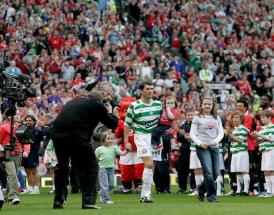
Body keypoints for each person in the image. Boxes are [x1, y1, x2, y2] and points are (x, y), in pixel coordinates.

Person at [51, 90, 119, 209]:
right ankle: (88, 201)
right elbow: (112, 124)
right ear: (100, 100)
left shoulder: (72, 102)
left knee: (62, 167)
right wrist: (111, 113)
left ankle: (58, 201)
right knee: (91, 167)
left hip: (57, 135)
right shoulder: (97, 105)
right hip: (77, 136)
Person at [124, 81, 162, 203]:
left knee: (152, 166)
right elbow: (127, 124)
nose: (150, 91)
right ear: (141, 91)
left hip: (155, 137)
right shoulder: (134, 106)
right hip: (141, 136)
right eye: (147, 89)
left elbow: (163, 121)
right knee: (149, 164)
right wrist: (126, 141)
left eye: (152, 88)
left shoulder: (158, 104)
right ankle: (145, 195)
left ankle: (146, 193)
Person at [190, 97, 224, 202]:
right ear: (201, 105)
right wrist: (200, 143)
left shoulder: (216, 117)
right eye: (205, 104)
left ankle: (201, 188)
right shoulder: (197, 118)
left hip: (214, 147)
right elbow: (192, 134)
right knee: (208, 172)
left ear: (213, 105)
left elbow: (221, 133)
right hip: (202, 148)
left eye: (209, 104)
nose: (207, 106)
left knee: (216, 173)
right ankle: (212, 196)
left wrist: (215, 142)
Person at [95, 130, 128, 203]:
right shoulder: (99, 149)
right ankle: (106, 199)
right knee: (105, 185)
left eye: (111, 139)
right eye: (108, 139)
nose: (110, 140)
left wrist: (127, 150)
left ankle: (101, 192)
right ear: (103, 139)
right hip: (102, 169)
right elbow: (95, 159)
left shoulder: (114, 148)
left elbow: (122, 154)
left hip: (111, 168)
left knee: (111, 185)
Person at [225, 111, 250, 196]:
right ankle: (239, 190)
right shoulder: (234, 129)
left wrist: (229, 134)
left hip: (241, 152)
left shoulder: (243, 128)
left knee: (244, 171)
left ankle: (246, 190)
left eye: (236, 117)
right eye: (233, 118)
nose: (234, 119)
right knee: (237, 172)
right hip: (235, 152)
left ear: (241, 119)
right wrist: (230, 134)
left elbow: (239, 140)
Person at [253, 110, 274, 197]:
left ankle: (272, 191)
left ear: (269, 117)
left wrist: (259, 135)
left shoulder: (272, 127)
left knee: (271, 170)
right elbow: (260, 140)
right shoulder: (262, 128)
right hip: (264, 150)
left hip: (271, 150)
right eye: (261, 117)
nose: (262, 119)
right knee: (265, 171)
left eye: (263, 117)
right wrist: (256, 137)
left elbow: (271, 139)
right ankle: (268, 191)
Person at [21, 115, 43, 195]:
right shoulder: (23, 129)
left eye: (30, 120)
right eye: (26, 120)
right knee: (27, 170)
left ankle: (36, 188)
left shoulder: (37, 130)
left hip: (33, 152)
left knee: (34, 170)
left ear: (34, 121)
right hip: (24, 152)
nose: (28, 122)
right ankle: (30, 188)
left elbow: (39, 142)